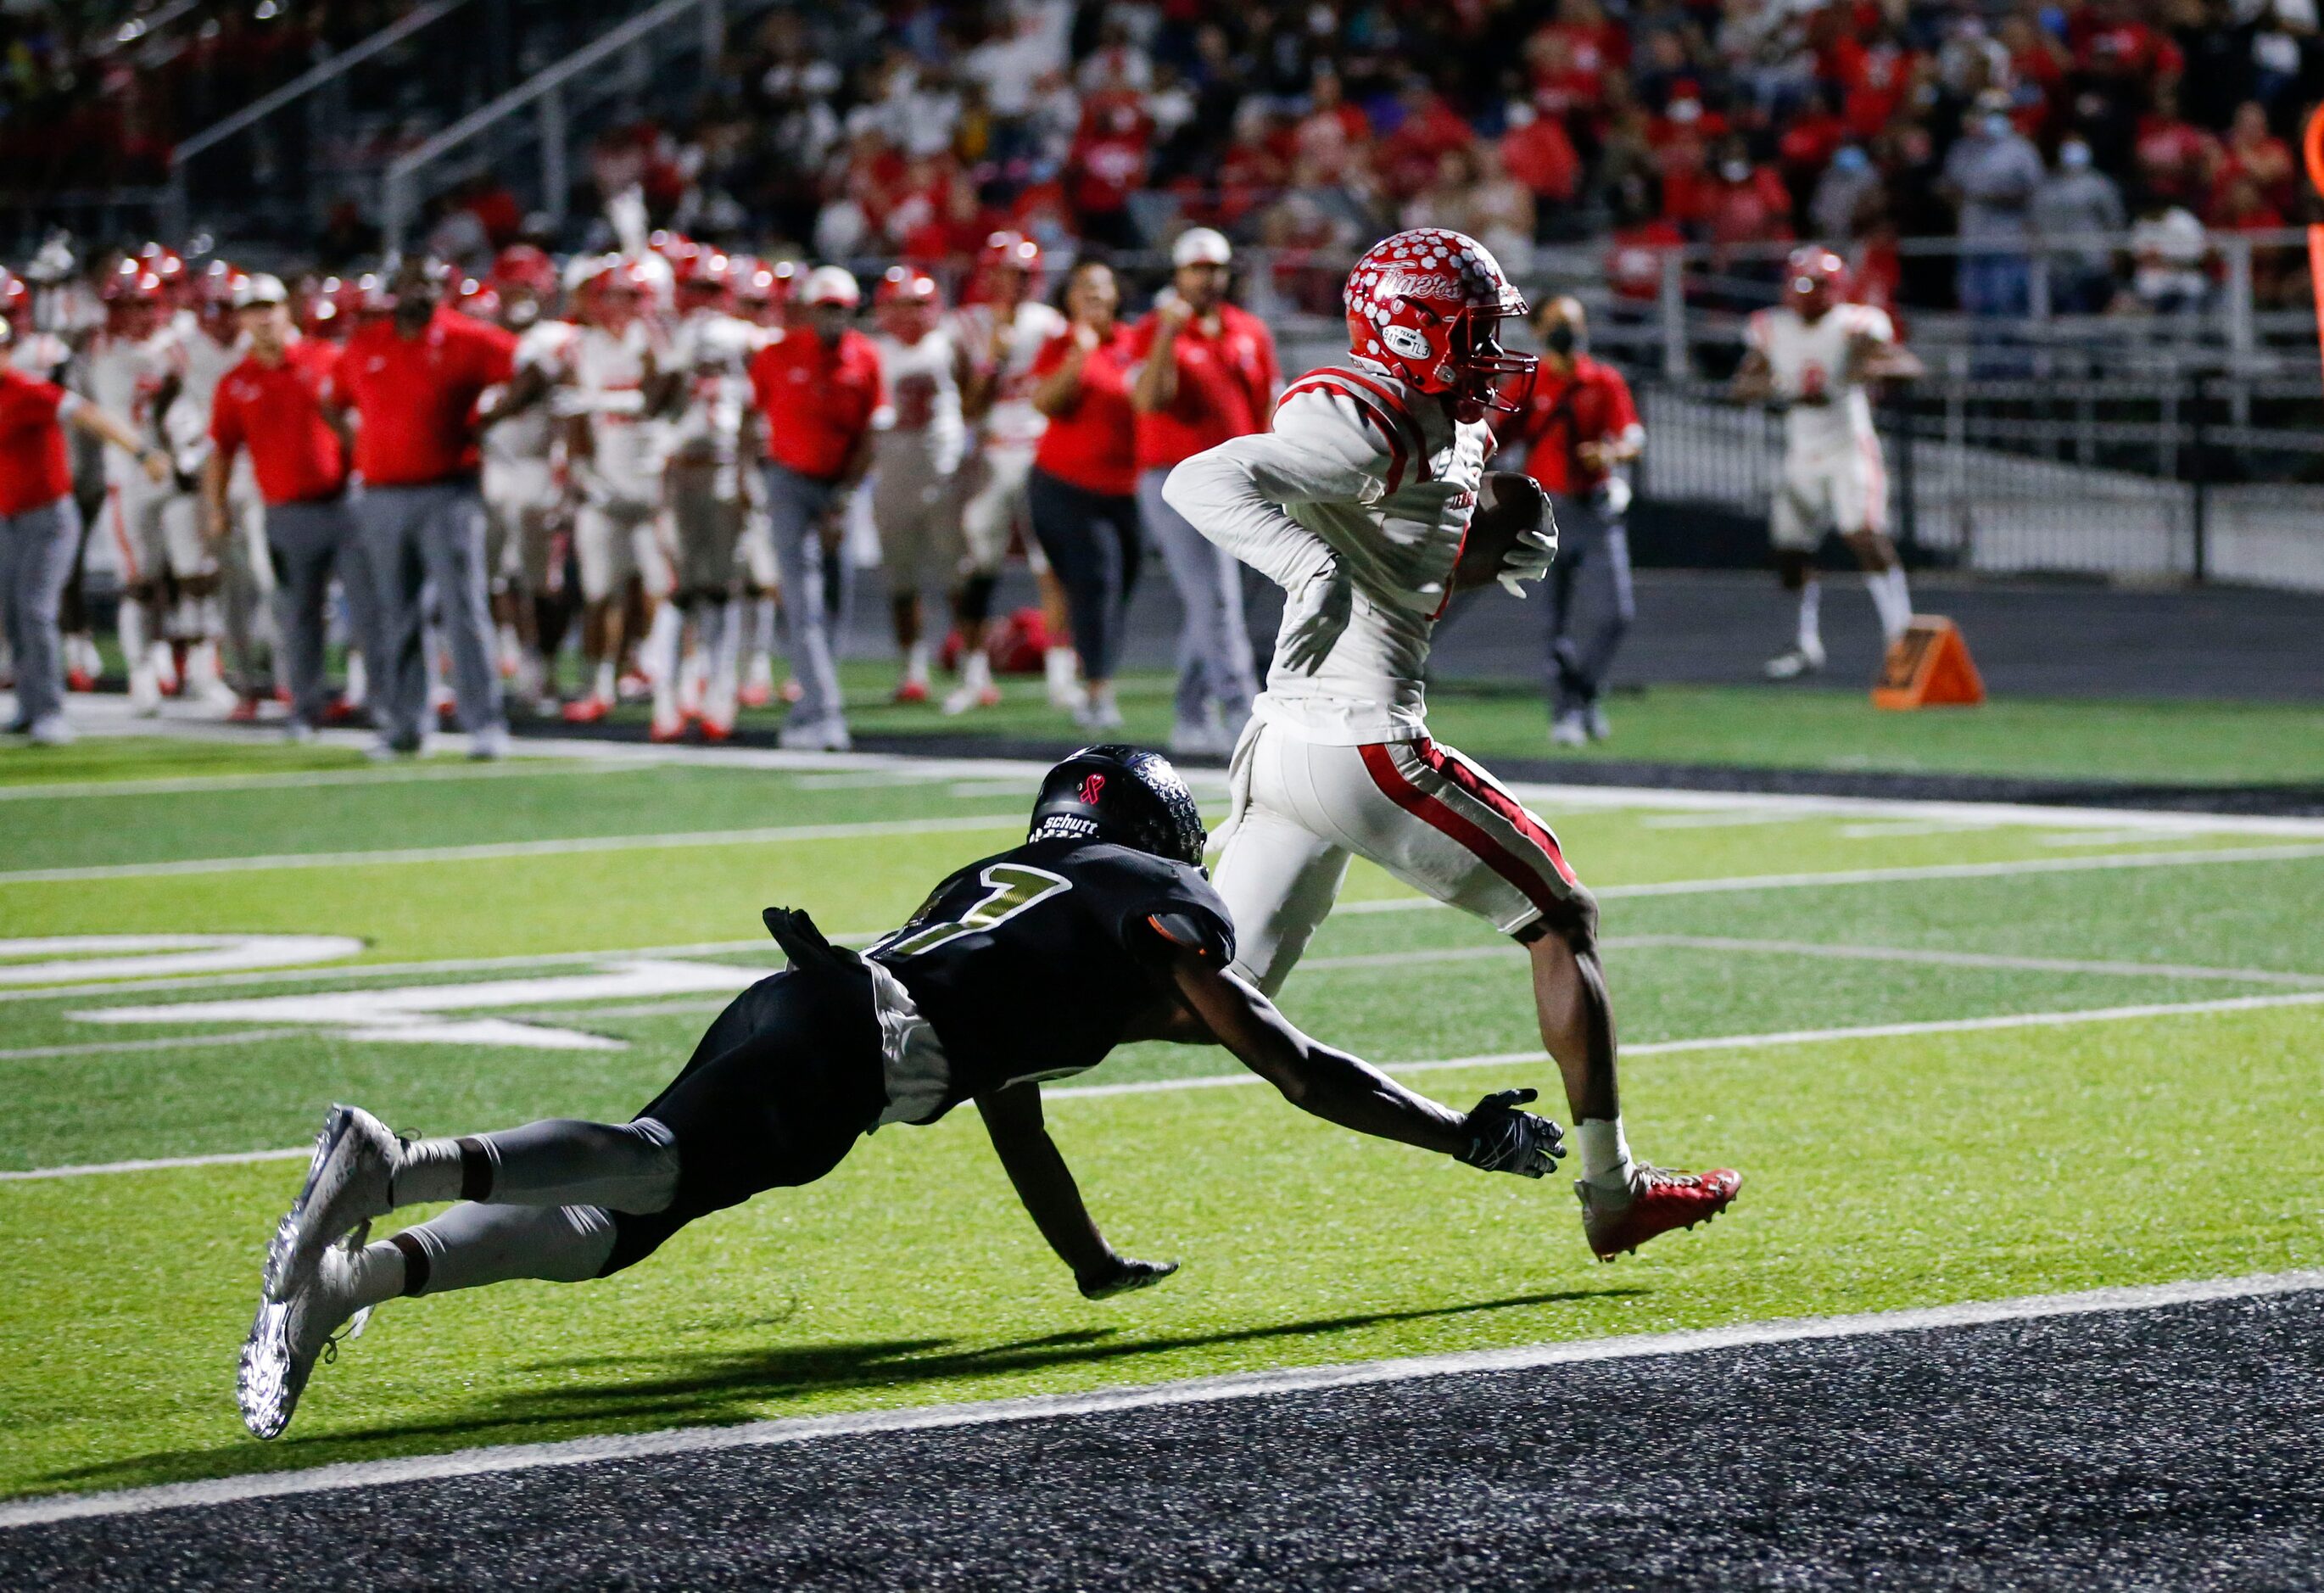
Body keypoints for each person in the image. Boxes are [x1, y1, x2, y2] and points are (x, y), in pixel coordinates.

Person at [237, 745, 1567, 1440]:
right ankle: (393, 1162)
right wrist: (1458, 1134)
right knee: (644, 1165)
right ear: (1161, 832)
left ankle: (352, 1283)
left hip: (817, 1006)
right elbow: (1291, 1060)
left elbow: (1012, 1091)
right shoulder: (1155, 895)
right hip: (852, 1046)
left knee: (612, 1230)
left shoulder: (1015, 897)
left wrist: (1087, 1257)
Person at [1164, 227, 1740, 1263]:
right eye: (1473, 330)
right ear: (1410, 329)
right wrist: (1308, 567)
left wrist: (1488, 540)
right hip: (1363, 744)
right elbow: (1200, 482)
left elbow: (1405, 562)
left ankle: (968, 1033)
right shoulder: (1359, 411)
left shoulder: (1443, 422)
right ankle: (1613, 1191)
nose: (1492, 350)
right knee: (1560, 916)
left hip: (1283, 743)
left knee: (1211, 1001)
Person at [330, 254, 530, 758]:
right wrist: (358, 443)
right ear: (395, 289)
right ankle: (406, 725)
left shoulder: (466, 336)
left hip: (449, 491)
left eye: (431, 283)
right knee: (394, 612)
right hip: (380, 493)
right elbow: (331, 398)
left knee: (464, 607)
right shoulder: (367, 343)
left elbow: (534, 369)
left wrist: (490, 420)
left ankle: (484, 722)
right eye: (412, 283)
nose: (421, 291)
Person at [1729, 246, 1925, 679]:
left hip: (1847, 444)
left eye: (1813, 285)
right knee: (1789, 549)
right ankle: (1803, 643)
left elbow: (1906, 366)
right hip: (1801, 446)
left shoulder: (1857, 324)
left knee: (1863, 532)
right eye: (1799, 284)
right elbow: (1743, 385)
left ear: (1833, 289)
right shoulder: (1770, 327)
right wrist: (1781, 388)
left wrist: (1863, 366)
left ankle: (1902, 637)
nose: (1804, 294)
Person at [1130, 226, 1280, 757]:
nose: (1206, 279)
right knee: (1216, 601)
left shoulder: (1248, 330)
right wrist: (1166, 336)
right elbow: (1149, 401)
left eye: (1214, 269)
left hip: (1238, 478)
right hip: (1175, 478)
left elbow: (1266, 408)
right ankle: (1244, 713)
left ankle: (1190, 715)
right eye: (1196, 269)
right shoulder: (1153, 329)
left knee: (1212, 602)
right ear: (1178, 274)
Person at [204, 274, 373, 742]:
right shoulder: (236, 383)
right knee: (297, 616)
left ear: (287, 311)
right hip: (285, 512)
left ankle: (383, 703)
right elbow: (221, 451)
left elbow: (365, 416)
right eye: (252, 309)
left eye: (270, 307)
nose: (263, 318)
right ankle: (305, 708)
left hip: (345, 503)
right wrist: (215, 508)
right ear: (241, 318)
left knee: (370, 609)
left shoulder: (325, 359)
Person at [2, 310, 171, 745]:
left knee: (36, 610)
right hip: (7, 519)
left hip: (47, 518)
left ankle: (51, 712)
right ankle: (28, 706)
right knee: (13, 614)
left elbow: (91, 415)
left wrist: (141, 453)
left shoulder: (26, 390)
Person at [1495, 297, 1643, 746]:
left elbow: (1632, 436)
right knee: (1552, 623)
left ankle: (1583, 693)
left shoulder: (1603, 379)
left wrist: (1612, 454)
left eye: (1575, 323)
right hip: (1544, 513)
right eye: (1560, 324)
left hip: (1595, 508)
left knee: (1616, 615)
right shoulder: (1529, 380)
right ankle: (1567, 712)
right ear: (1539, 330)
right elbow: (1497, 434)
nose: (1569, 331)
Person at [748, 266, 883, 752]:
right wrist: (751, 478)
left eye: (841, 309)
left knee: (835, 598)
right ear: (808, 309)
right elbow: (753, 419)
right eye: (826, 308)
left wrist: (845, 498)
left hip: (839, 484)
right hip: (788, 481)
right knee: (802, 599)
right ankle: (825, 712)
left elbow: (872, 434)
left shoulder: (865, 358)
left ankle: (813, 704)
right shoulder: (776, 354)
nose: (834, 318)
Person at [954, 232, 1071, 715]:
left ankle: (1061, 675)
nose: (1016, 284)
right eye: (1008, 273)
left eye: (1024, 274)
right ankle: (972, 671)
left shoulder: (1050, 325)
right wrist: (993, 361)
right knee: (978, 565)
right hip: (990, 453)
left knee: (1053, 565)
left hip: (1044, 452)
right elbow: (965, 406)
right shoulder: (964, 326)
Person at [652, 250, 763, 741]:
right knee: (677, 589)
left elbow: (763, 405)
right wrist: (676, 364)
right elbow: (651, 404)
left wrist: (749, 470)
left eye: (711, 292)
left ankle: (720, 690)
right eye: (694, 291)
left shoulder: (751, 342)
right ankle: (670, 697)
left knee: (724, 585)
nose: (702, 303)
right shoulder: (670, 340)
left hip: (727, 470)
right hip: (678, 472)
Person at [1027, 260, 1142, 732]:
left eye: (1102, 286)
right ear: (1069, 298)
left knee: (1120, 587)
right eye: (1083, 288)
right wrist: (1078, 356)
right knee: (1096, 582)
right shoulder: (1060, 345)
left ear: (1117, 293)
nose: (1094, 295)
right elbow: (1045, 403)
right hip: (1065, 485)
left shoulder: (1135, 342)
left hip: (1126, 488)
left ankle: (1095, 675)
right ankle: (1097, 690)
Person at [83, 265, 193, 716]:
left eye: (144, 304)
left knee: (193, 574)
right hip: (125, 473)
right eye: (125, 305)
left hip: (173, 468)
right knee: (138, 581)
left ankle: (197, 665)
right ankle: (141, 672)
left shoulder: (176, 345)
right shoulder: (99, 347)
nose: (135, 314)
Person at [478, 244, 578, 713]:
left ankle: (544, 666)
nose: (518, 296)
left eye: (527, 286)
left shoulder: (554, 338)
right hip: (490, 468)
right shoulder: (482, 335)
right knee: (494, 578)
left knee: (542, 582)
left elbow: (535, 382)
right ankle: (511, 659)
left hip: (540, 467)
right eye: (511, 286)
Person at [866, 266, 971, 707]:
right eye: (901, 305)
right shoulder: (872, 350)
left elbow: (974, 395)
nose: (911, 315)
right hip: (892, 475)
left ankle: (971, 661)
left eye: (919, 304)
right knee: (901, 580)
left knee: (957, 574)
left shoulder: (950, 343)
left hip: (944, 474)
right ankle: (912, 667)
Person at [1940, 91, 2044, 318]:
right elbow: (1949, 187)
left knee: (2009, 312)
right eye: (1989, 113)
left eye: (2000, 113)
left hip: (2009, 244)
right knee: (1975, 312)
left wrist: (1988, 195)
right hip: (1973, 242)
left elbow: (2031, 192)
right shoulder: (1963, 149)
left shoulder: (2021, 150)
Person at [2031, 139, 2125, 315]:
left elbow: (2114, 220)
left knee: (2092, 308)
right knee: (2063, 310)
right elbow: (2036, 219)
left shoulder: (2099, 184)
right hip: (2057, 259)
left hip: (2093, 258)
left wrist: (2114, 252)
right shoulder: (2049, 186)